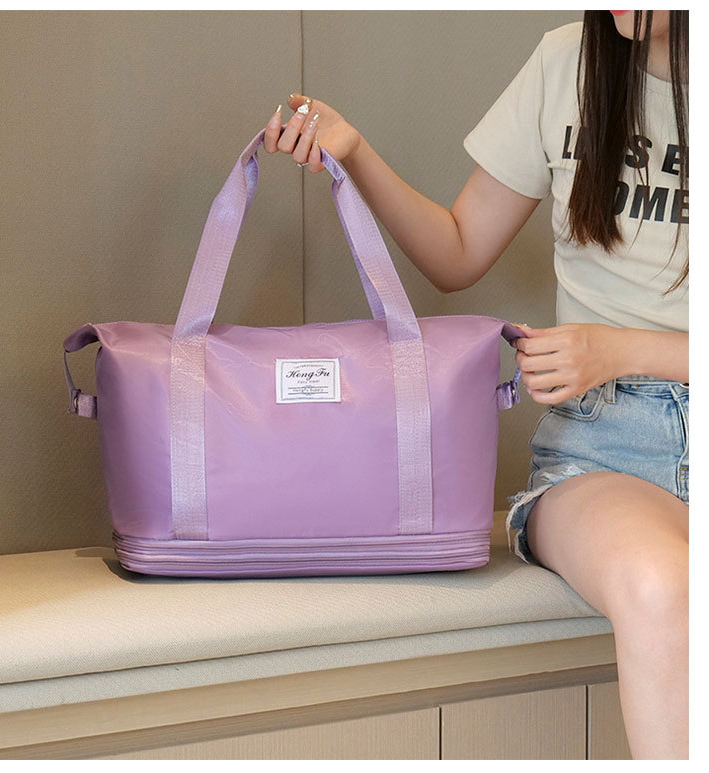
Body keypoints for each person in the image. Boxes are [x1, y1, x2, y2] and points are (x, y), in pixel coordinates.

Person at [262, 10, 688, 760]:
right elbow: (457, 251)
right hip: (604, 452)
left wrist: (622, 348)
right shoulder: (566, 63)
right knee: (662, 584)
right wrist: (354, 151)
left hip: (635, 382)